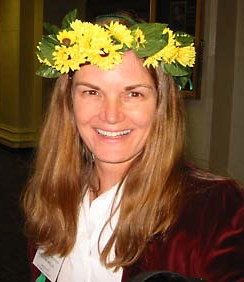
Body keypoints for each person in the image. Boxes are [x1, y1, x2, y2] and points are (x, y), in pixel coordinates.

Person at [22, 9, 244, 282]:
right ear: (68, 103)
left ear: (161, 105)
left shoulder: (215, 212)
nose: (111, 115)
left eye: (134, 93)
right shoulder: (53, 195)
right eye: (92, 92)